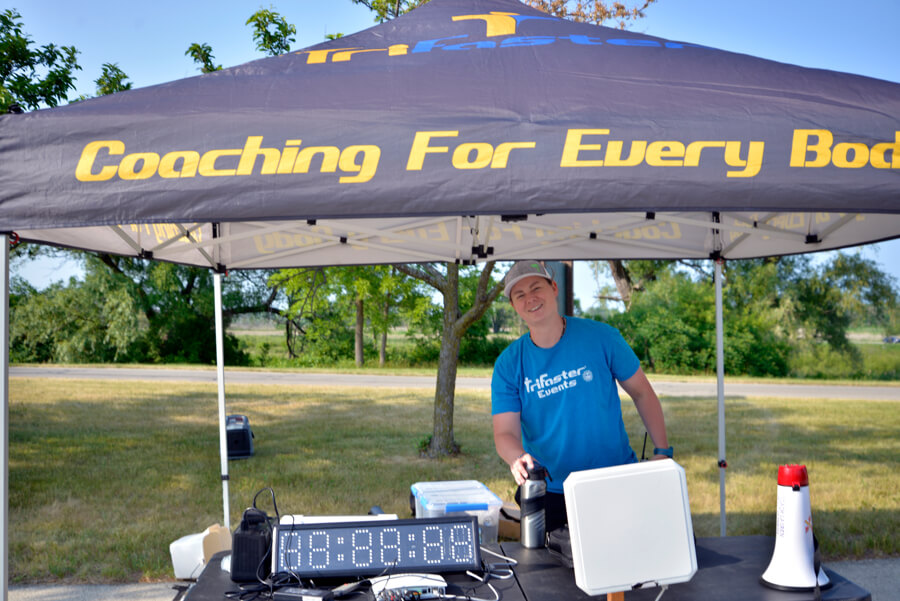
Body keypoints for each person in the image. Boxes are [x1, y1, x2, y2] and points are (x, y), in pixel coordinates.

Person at [491, 261, 671, 532]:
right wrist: (517, 458)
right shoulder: (508, 364)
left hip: (615, 479)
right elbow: (504, 433)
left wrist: (662, 451)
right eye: (520, 295)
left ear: (554, 288)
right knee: (551, 560)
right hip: (551, 491)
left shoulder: (602, 337)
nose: (530, 299)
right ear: (514, 306)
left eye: (536, 288)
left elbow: (642, 392)